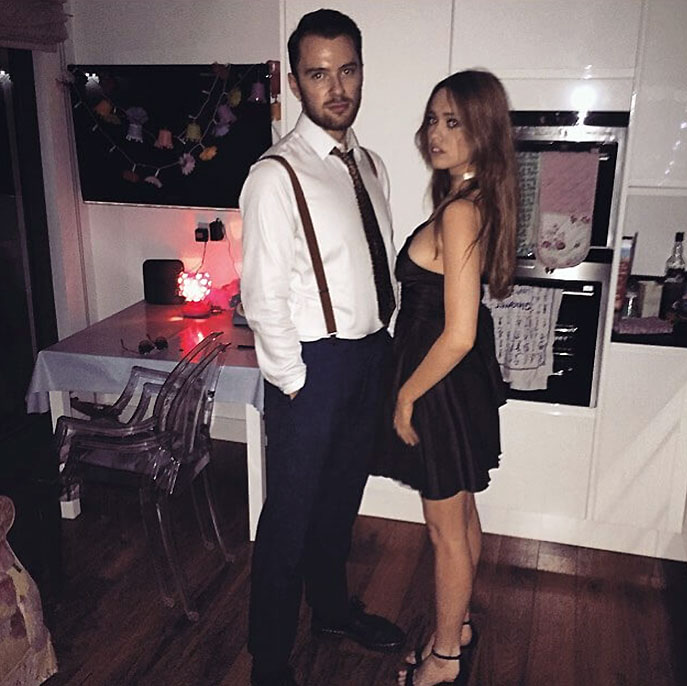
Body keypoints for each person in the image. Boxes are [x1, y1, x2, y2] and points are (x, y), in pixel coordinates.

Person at [240, 9, 404, 686]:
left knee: (340, 501)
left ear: (361, 71)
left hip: (369, 358)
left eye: (347, 70)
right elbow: (262, 295)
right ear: (296, 82)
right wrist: (295, 381)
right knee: (290, 519)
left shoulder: (371, 165)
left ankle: (332, 612)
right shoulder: (275, 175)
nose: (336, 88)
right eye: (318, 74)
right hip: (313, 368)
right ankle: (269, 660)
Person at [371, 70, 517, 686]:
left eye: (453, 122)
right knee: (461, 516)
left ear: (481, 131)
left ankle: (445, 660)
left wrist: (406, 396)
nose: (435, 132)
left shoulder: (460, 211)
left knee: (444, 530)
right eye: (433, 119)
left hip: (438, 387)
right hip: (451, 384)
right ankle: (456, 628)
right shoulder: (470, 200)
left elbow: (457, 333)